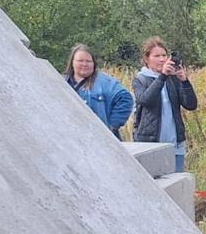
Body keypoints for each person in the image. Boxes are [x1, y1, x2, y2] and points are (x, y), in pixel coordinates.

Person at [132, 38, 198, 172]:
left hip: (174, 143)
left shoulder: (173, 79)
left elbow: (191, 105)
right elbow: (146, 100)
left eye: (164, 55)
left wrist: (184, 81)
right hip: (150, 143)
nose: (162, 59)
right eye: (157, 56)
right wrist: (162, 77)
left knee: (175, 183)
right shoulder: (140, 79)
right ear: (147, 58)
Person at [65, 43, 133, 136]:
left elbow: (125, 98)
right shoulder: (61, 83)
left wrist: (112, 126)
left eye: (88, 61)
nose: (84, 64)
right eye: (80, 61)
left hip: (100, 139)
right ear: (72, 62)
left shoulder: (105, 82)